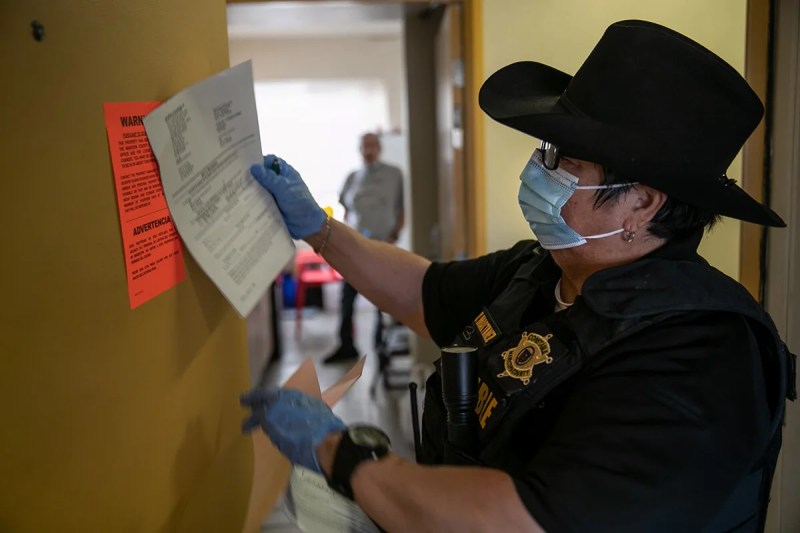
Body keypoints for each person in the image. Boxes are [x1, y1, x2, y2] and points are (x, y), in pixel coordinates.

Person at [243, 20, 796, 532]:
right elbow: (424, 290)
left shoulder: (700, 354)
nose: (540, 169)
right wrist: (321, 230)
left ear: (641, 204)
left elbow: (524, 521)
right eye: (547, 150)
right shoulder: (541, 270)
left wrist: (343, 457)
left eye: (566, 162)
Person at [324, 132, 405, 364]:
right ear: (360, 149)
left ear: (379, 148)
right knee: (347, 299)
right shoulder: (352, 177)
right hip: (355, 249)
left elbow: (401, 209)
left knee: (382, 299)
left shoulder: (394, 175)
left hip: (382, 247)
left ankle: (382, 347)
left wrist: (394, 235)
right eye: (364, 146)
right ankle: (346, 345)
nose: (368, 150)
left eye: (372, 146)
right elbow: (345, 208)